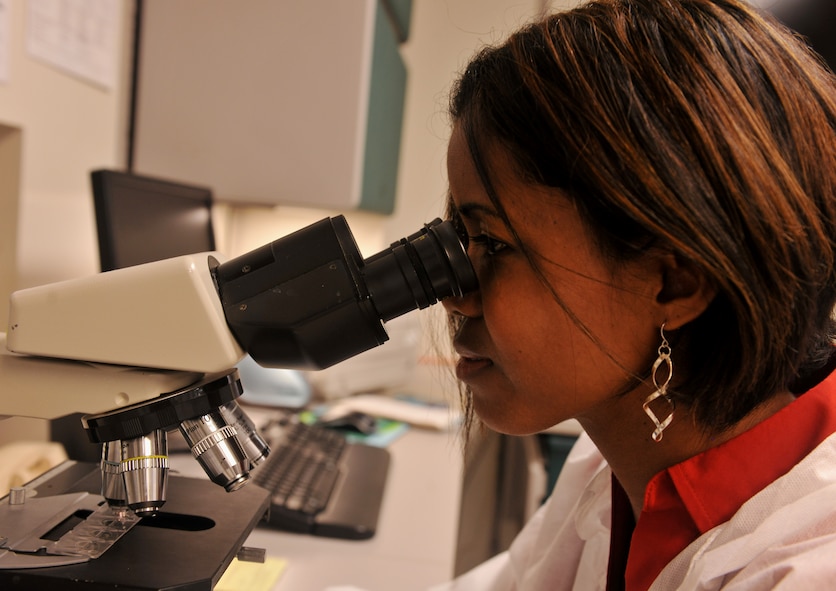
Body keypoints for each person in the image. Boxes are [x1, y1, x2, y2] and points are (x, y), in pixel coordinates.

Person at [432, 0, 836, 589]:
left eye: (492, 243)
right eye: (461, 238)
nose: (454, 297)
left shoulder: (804, 569)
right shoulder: (616, 465)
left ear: (675, 283)